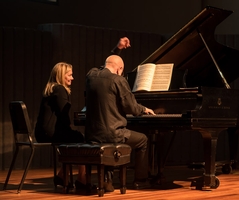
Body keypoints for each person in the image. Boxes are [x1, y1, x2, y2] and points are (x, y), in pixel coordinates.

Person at [85, 49, 156, 191]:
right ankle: (140, 180)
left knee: (108, 140)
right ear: (120, 69)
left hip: (92, 134)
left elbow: (102, 69)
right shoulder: (118, 80)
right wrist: (143, 109)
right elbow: (132, 108)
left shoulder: (90, 76)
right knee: (143, 140)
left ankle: (108, 179)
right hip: (113, 134)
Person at [35, 62, 87, 189]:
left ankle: (62, 176)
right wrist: (71, 129)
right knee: (82, 139)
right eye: (69, 75)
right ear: (61, 76)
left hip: (42, 132)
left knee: (74, 138)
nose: (72, 78)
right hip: (51, 132)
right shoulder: (59, 89)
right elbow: (63, 115)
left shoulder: (52, 88)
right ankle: (82, 180)